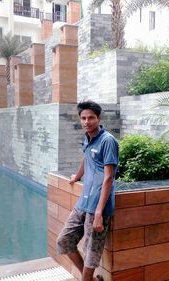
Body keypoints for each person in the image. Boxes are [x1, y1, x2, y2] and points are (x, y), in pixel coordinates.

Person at [56, 101, 119, 281]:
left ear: (98, 118)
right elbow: (87, 157)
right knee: (64, 241)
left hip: (98, 206)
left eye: (91, 117)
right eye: (83, 118)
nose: (86, 121)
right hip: (83, 202)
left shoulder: (108, 141)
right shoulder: (88, 137)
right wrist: (77, 176)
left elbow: (109, 177)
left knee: (91, 255)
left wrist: (99, 213)